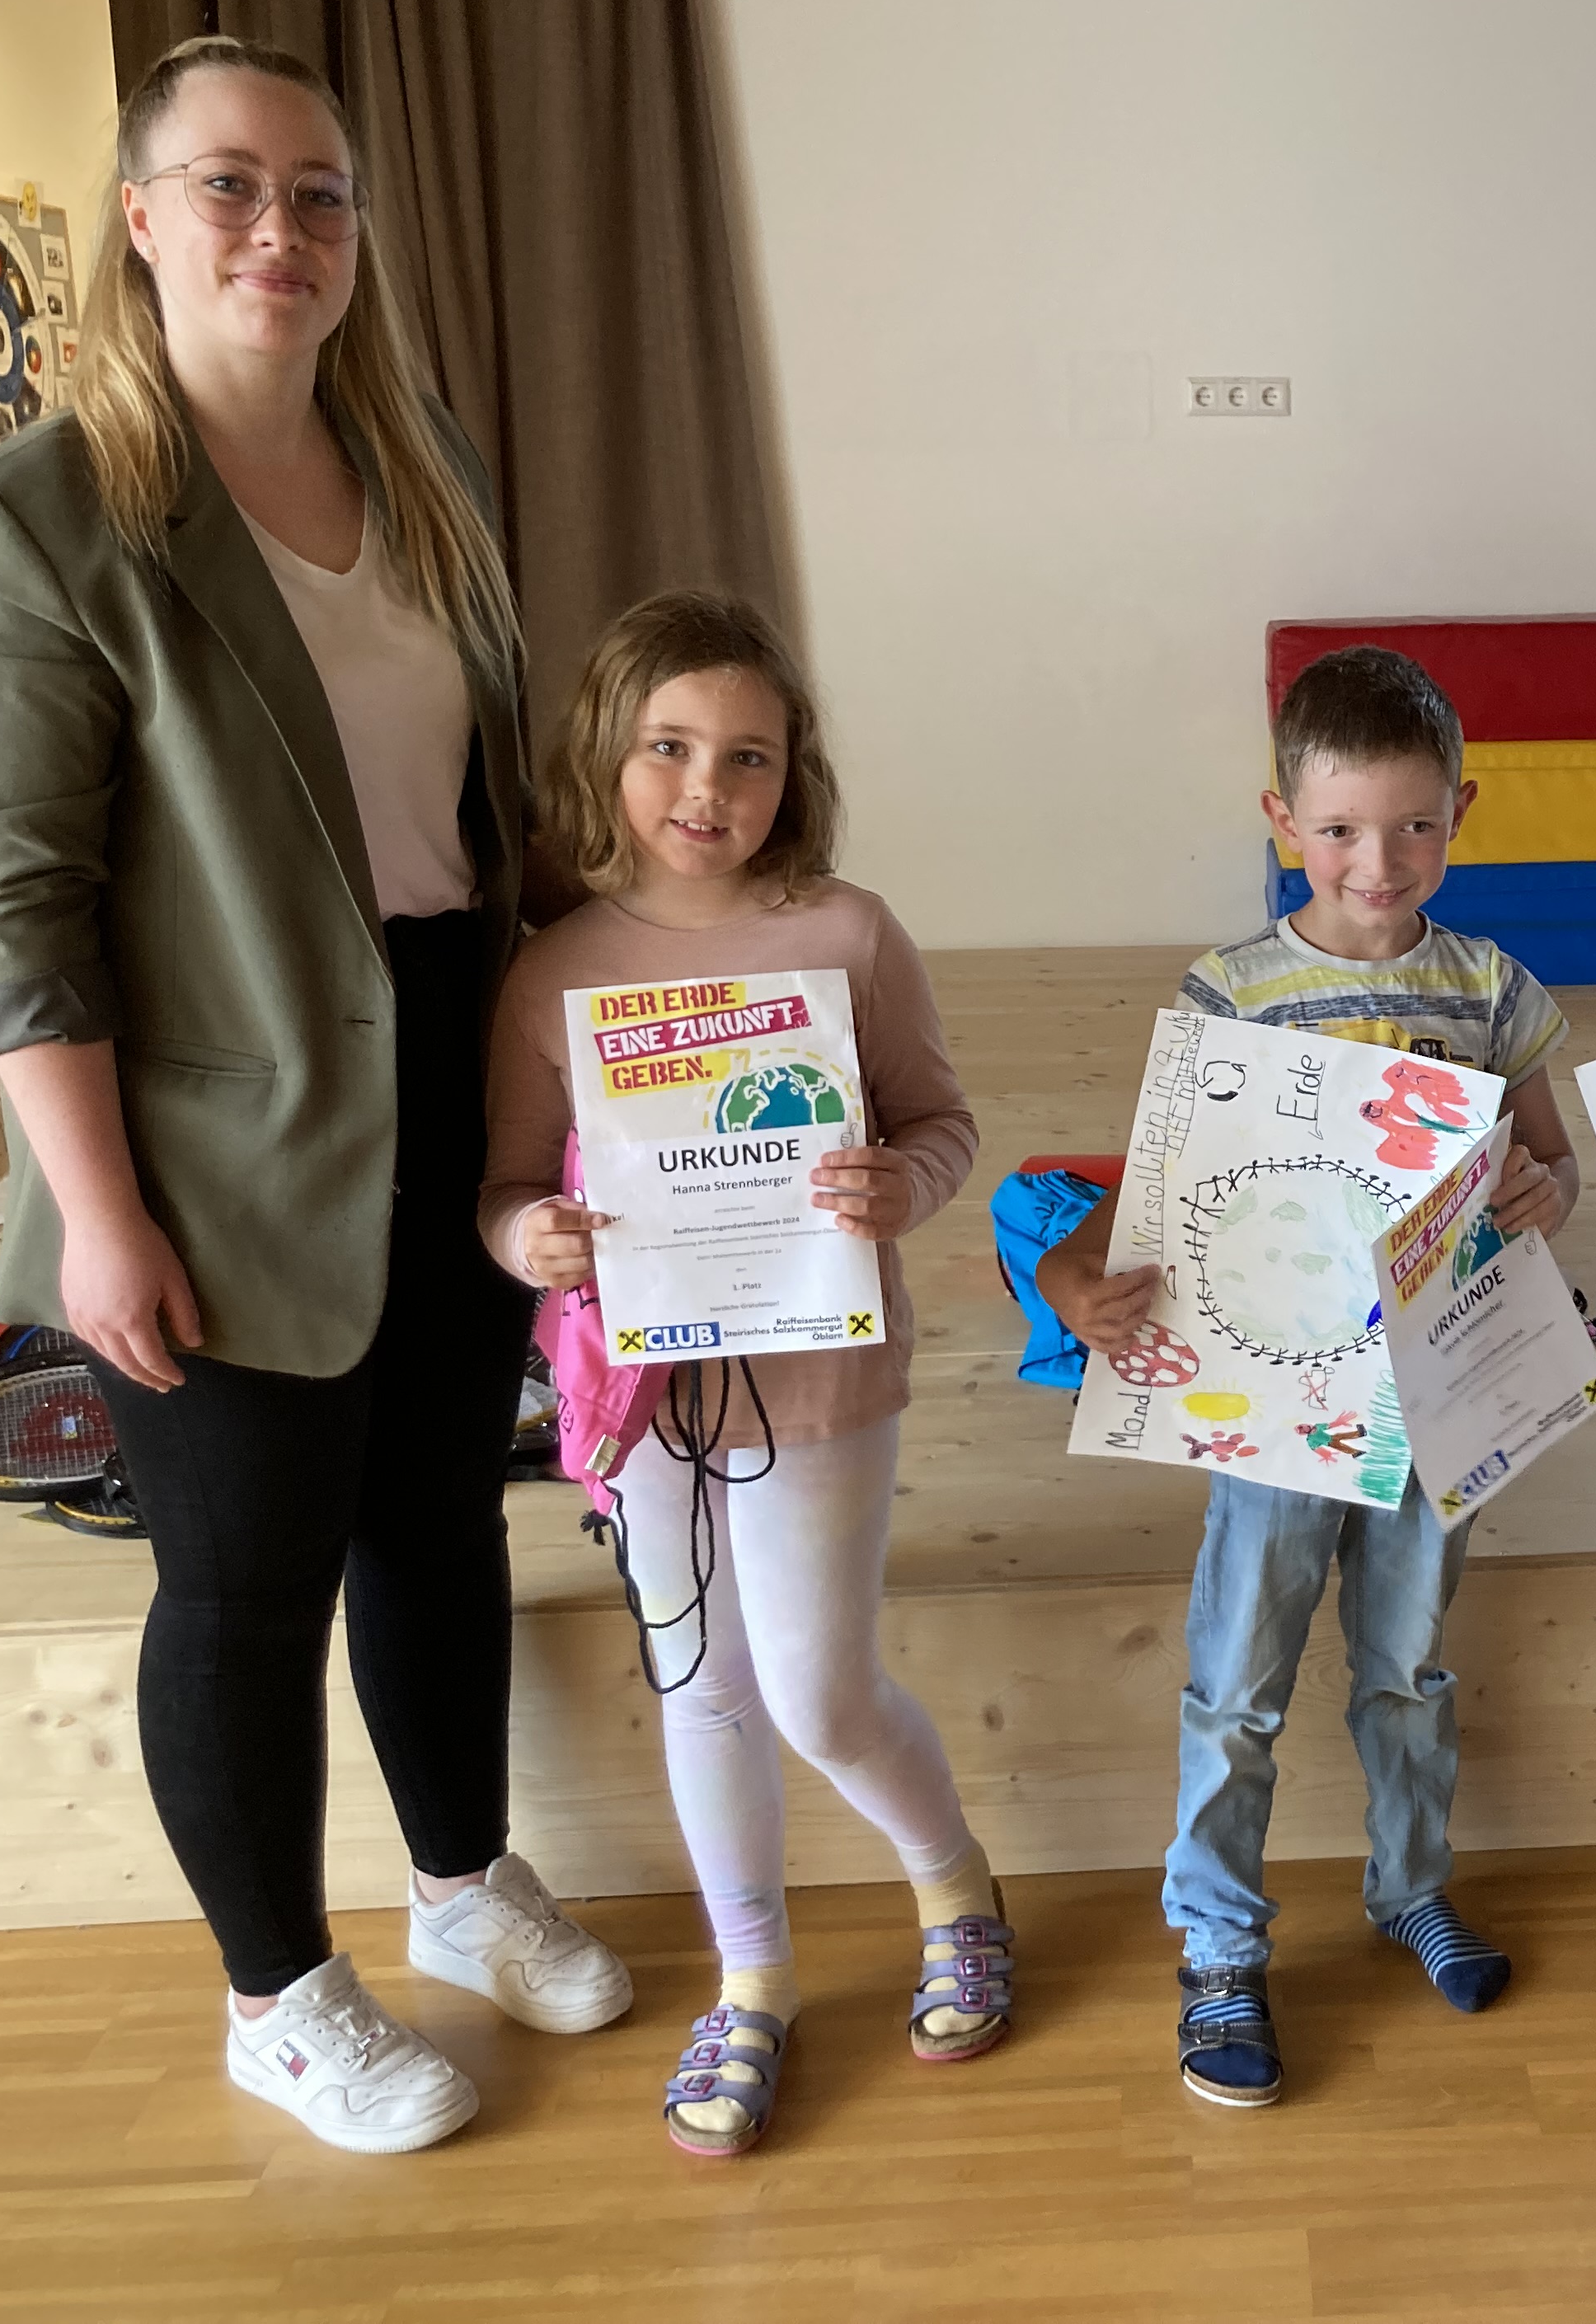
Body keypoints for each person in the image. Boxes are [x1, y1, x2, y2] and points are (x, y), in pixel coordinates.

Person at [0, 34, 628, 2156]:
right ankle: (277, 1992)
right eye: (228, 185)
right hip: (215, 1137)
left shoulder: (423, 468)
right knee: (244, 1579)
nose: (279, 228)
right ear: (140, 218)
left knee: (434, 1518)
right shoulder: (45, 513)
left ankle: (460, 1879)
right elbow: (19, 908)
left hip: (452, 1067)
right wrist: (98, 1214)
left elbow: (479, 813)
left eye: (319, 192)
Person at [478, 591, 1002, 2157]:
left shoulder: (846, 934)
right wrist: (528, 1243)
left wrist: (903, 1186)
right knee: (699, 1687)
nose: (707, 787)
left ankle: (957, 1889)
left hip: (818, 1378)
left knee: (821, 1693)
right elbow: (505, 1188)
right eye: (670, 747)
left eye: (748, 756)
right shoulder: (549, 970)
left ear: (794, 772)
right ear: (606, 753)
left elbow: (941, 1124)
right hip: (643, 1398)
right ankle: (752, 1975)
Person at [1035, 646, 1582, 2109]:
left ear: (1461, 812)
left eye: (1414, 826)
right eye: (1340, 829)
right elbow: (1162, 1188)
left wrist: (1546, 1193)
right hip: (1273, 1406)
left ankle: (1412, 1888)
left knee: (1408, 1667)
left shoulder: (1494, 987)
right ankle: (1219, 1946)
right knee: (1237, 1684)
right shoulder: (1231, 990)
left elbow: (1552, 1165)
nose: (1378, 862)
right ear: (1283, 820)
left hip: (1436, 1397)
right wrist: (1077, 1281)